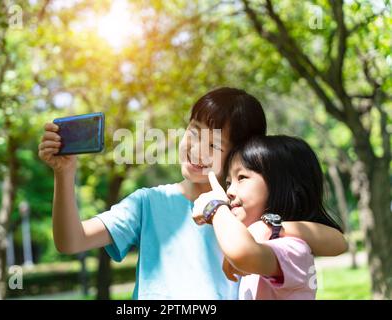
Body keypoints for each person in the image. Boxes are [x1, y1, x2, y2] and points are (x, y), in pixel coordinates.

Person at [38, 88, 347, 299]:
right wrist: (64, 176)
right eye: (194, 131)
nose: (197, 149)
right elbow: (71, 240)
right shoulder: (148, 203)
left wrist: (267, 226)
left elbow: (335, 241)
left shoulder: (244, 212)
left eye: (214, 145)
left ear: (239, 154)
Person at [192, 135, 344, 299]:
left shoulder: (292, 249)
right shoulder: (267, 244)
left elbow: (242, 253)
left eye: (242, 177)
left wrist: (215, 206)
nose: (229, 191)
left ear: (285, 184)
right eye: (228, 183)